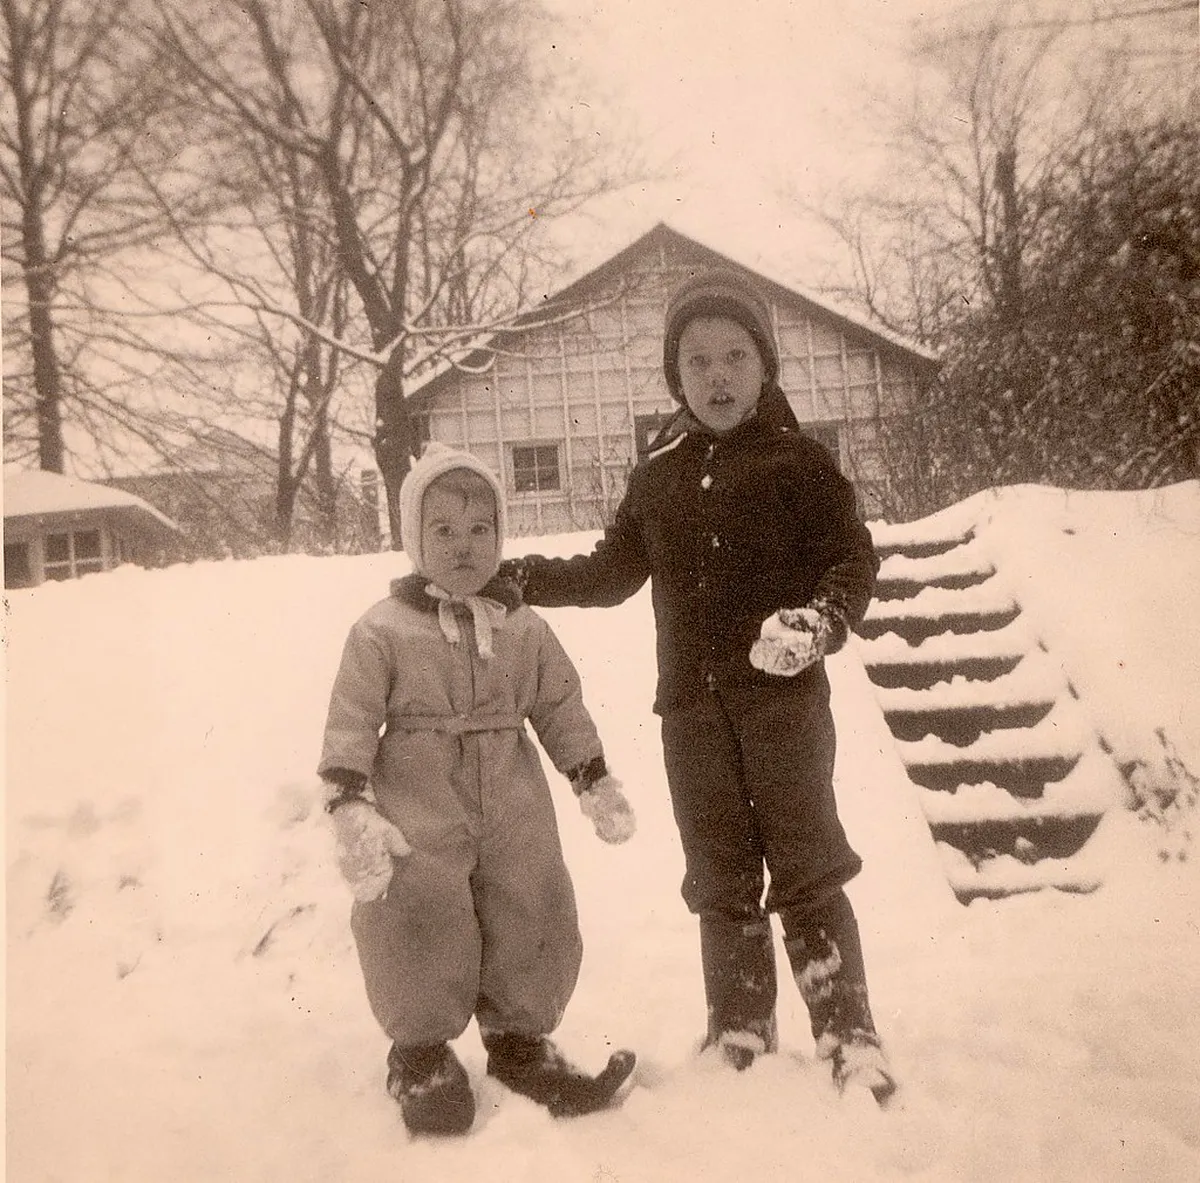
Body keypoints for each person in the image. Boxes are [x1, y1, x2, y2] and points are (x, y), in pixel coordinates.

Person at [500, 268, 895, 1103]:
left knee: (806, 860)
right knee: (717, 870)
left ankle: (848, 1032)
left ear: (766, 367)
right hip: (691, 713)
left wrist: (821, 621)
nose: (717, 376)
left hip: (784, 707)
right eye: (697, 360)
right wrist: (522, 577)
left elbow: (851, 559)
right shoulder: (660, 473)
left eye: (735, 357)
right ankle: (740, 1027)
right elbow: (611, 572)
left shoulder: (799, 461)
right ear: (675, 377)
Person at [318, 442, 637, 1136]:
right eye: (443, 531)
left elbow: (558, 703)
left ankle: (521, 1043)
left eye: (480, 530)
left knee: (533, 901)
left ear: (501, 537)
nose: (464, 546)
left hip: (513, 793)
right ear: (412, 540)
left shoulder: (524, 627)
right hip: (418, 792)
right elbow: (351, 714)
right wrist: (349, 799)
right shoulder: (382, 630)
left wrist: (591, 774)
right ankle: (421, 1054)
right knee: (418, 911)